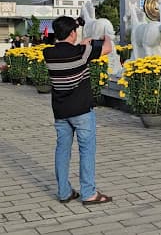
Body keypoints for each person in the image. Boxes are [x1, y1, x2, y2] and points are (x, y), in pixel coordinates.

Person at [43, 16, 113, 205]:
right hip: (82, 111)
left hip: (60, 112)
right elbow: (108, 48)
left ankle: (64, 192)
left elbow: (69, 51)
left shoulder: (48, 53)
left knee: (62, 150)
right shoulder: (82, 52)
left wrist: (82, 43)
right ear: (73, 33)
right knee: (86, 150)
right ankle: (89, 193)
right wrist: (105, 34)